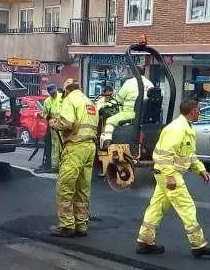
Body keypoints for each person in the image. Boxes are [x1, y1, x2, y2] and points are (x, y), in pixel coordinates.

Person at [136, 97, 210, 258]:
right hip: (170, 173)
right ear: (193, 111)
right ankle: (198, 245)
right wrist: (170, 176)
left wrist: (200, 169)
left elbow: (188, 155)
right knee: (187, 206)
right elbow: (165, 155)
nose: (200, 113)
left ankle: (145, 241)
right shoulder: (177, 129)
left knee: (156, 207)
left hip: (168, 173)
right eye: (199, 110)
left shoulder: (187, 128)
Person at [50, 78, 99, 237]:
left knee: (65, 186)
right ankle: (81, 225)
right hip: (90, 147)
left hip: (75, 148)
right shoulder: (89, 102)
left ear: (66, 90)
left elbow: (67, 123)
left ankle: (67, 225)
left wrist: (53, 123)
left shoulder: (70, 99)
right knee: (82, 189)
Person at [100, 75, 155, 147]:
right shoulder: (150, 84)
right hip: (146, 116)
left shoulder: (129, 83)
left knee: (109, 121)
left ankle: (107, 143)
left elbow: (118, 99)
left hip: (130, 114)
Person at [36, 84, 62, 173]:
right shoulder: (47, 101)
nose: (53, 94)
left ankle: (62, 164)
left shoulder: (62, 97)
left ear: (56, 90)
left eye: (54, 93)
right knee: (55, 145)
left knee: (63, 145)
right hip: (53, 126)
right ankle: (55, 165)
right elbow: (44, 113)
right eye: (51, 93)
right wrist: (48, 118)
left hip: (63, 124)